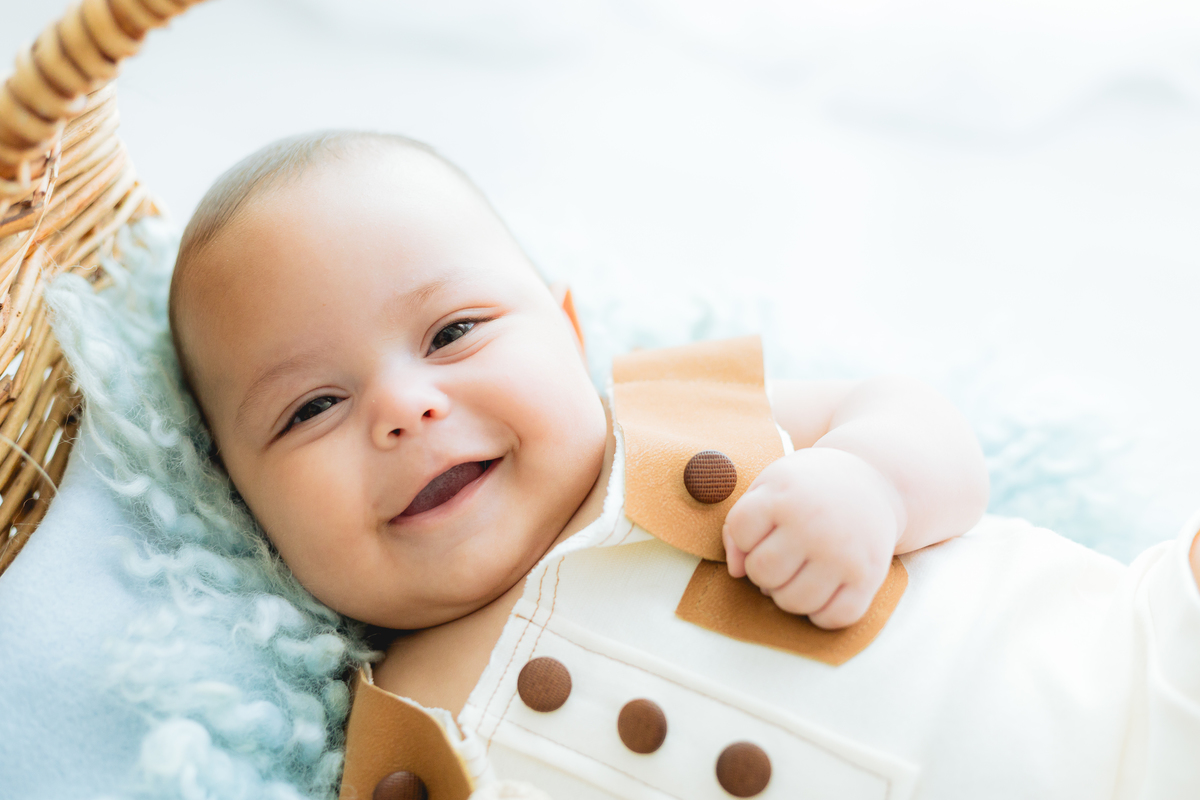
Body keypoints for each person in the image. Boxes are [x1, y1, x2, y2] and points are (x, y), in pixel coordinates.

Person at [168, 131, 1200, 800]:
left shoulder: (671, 427)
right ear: (239, 495)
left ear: (569, 333)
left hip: (1136, 676)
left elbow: (918, 419)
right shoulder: (390, 736)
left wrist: (874, 480)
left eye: (452, 331)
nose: (405, 408)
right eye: (312, 406)